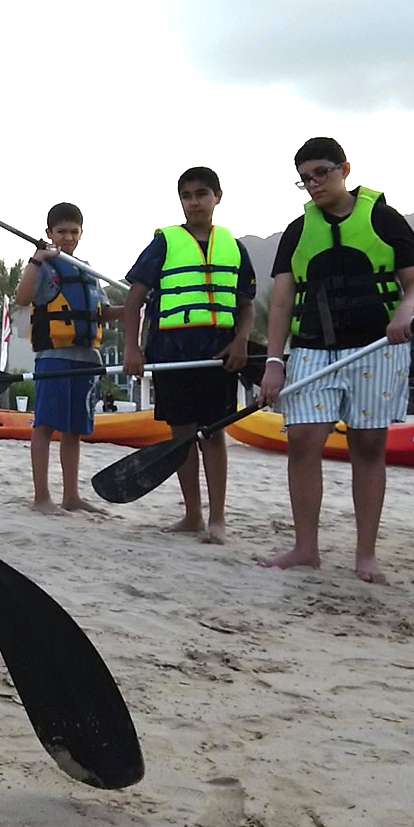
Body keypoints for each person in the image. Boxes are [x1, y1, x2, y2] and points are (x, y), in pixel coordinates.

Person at [257, 138, 414, 584]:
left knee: (369, 448)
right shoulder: (297, 231)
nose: (314, 183)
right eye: (305, 178)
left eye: (322, 173)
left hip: (376, 348)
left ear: (344, 169)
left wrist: (405, 314)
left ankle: (366, 554)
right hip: (313, 350)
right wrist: (274, 362)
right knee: (303, 443)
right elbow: (280, 304)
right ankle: (305, 548)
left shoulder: (385, 219)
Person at [121, 166, 255, 544]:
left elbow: (246, 306)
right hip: (171, 354)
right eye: (187, 195)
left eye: (201, 194)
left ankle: (217, 519)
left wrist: (241, 341)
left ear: (217, 197)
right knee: (181, 437)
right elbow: (134, 300)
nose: (194, 202)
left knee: (213, 436)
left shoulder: (234, 246)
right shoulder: (164, 243)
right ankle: (192, 514)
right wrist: (133, 347)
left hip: (218, 355)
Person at [13, 202, 120, 514]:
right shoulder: (44, 266)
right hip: (54, 358)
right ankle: (41, 497)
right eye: (61, 231)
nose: (68, 237)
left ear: (82, 233)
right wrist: (36, 259)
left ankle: (71, 496)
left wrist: (132, 308)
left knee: (74, 429)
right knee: (45, 425)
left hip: (87, 359)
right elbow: (22, 298)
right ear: (49, 233)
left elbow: (101, 313)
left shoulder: (88, 271)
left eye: (74, 231)